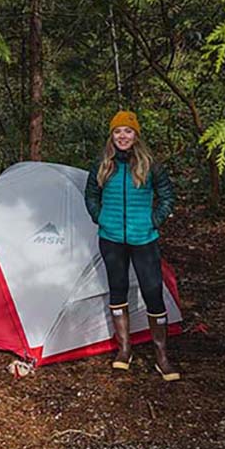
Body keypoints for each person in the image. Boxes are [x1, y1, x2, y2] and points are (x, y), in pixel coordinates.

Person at [84, 110, 180, 381]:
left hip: (144, 238)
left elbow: (167, 196)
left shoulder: (150, 164)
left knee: (152, 293)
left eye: (127, 131)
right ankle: (124, 349)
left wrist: (155, 219)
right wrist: (99, 216)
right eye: (117, 131)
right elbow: (91, 193)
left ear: (136, 135)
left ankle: (162, 356)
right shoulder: (103, 163)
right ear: (111, 135)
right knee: (118, 290)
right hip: (111, 238)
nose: (122, 136)